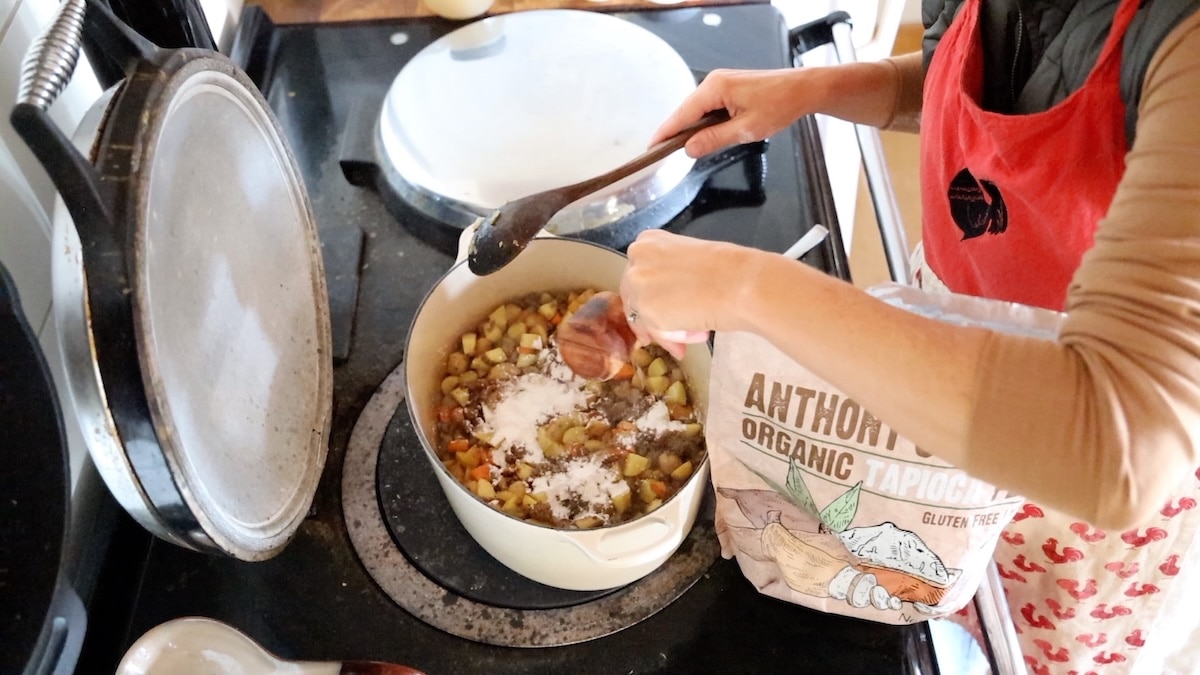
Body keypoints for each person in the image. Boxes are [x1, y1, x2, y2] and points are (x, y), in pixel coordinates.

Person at [618, 0, 1200, 672]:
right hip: (944, 359)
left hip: (1063, 483)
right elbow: (988, 84)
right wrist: (814, 89)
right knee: (926, 598)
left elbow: (1119, 444)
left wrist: (749, 288)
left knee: (1025, 648)